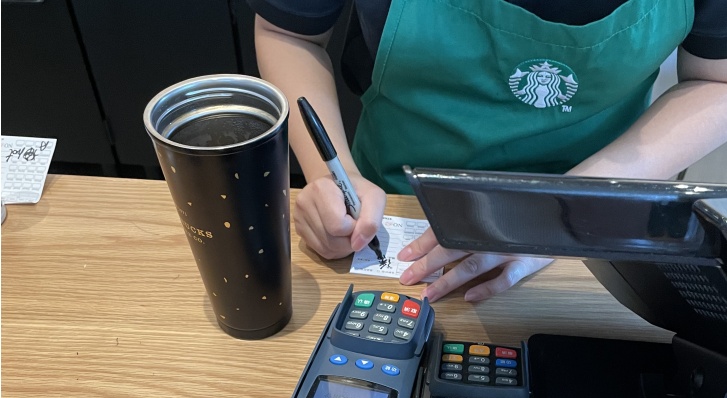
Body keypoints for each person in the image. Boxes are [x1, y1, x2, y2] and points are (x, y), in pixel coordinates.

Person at [246, 0, 727, 303]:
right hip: (397, 209)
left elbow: (717, 81)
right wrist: (331, 174)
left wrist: (562, 208)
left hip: (591, 236)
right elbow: (289, 32)